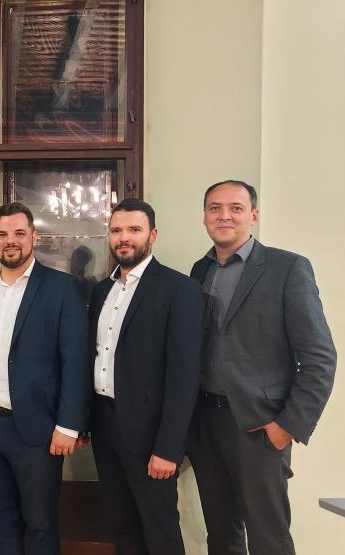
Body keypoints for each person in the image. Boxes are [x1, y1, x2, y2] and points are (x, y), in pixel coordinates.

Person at [187, 180, 336, 555]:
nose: (224, 216)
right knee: (221, 536)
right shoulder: (199, 270)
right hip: (206, 422)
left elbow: (319, 357)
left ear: (253, 215)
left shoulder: (288, 268)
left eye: (235, 208)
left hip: (258, 427)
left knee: (268, 539)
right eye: (214, 208)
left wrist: (288, 426)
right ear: (204, 216)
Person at [0, 202, 91, 555]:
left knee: (39, 522)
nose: (11, 241)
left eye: (19, 233)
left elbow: (75, 360)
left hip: (39, 429)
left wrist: (69, 424)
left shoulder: (62, 288)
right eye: (3, 234)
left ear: (34, 237)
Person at [87, 199, 203, 555]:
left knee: (159, 532)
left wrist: (168, 448)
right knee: (123, 527)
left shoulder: (178, 289)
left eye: (134, 230)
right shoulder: (101, 290)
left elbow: (184, 377)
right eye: (117, 230)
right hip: (105, 427)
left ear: (152, 235)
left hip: (151, 435)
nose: (124, 238)